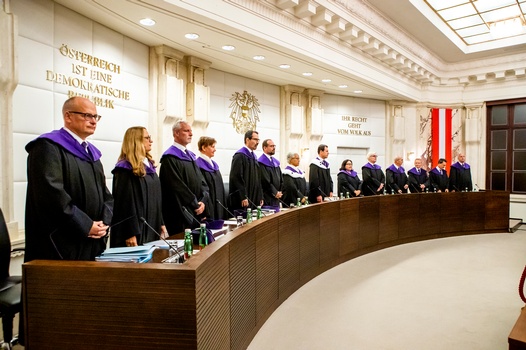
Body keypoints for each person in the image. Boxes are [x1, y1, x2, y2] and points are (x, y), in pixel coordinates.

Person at [24, 96, 113, 261]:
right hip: (62, 244)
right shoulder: (48, 147)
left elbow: (105, 194)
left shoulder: (91, 153)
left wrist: (104, 223)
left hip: (93, 242)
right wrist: (86, 225)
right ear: (68, 116)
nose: (93, 121)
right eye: (87, 115)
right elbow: (51, 195)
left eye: (96, 117)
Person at [110, 127, 166, 247]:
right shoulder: (124, 169)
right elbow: (123, 204)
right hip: (135, 231)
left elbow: (156, 198)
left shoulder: (149, 166)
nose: (151, 141)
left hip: (151, 225)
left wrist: (160, 223)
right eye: (147, 138)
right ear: (136, 141)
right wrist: (129, 232)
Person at [160, 121, 209, 234]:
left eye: (191, 131)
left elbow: (202, 182)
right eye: (186, 131)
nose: (191, 134)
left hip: (196, 211)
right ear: (176, 133)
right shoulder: (170, 158)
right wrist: (194, 203)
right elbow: (177, 187)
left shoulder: (191, 156)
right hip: (180, 213)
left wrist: (203, 201)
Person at [228, 130, 263, 212]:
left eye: (258, 140)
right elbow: (236, 177)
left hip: (253, 197)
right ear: (247, 140)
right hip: (243, 199)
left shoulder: (254, 157)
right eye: (255, 139)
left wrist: (260, 196)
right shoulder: (240, 156)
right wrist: (243, 196)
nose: (257, 142)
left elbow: (258, 179)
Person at [196, 136, 227, 219]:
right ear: (203, 147)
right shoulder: (198, 165)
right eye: (212, 147)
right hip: (208, 208)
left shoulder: (214, 165)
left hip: (219, 206)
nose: (215, 149)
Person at [258, 139, 283, 207]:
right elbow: (265, 181)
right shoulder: (261, 162)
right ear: (265, 147)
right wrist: (275, 192)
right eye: (271, 146)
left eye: (274, 146)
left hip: (277, 197)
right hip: (267, 197)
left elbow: (281, 179)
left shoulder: (276, 162)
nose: (274, 148)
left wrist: (280, 191)